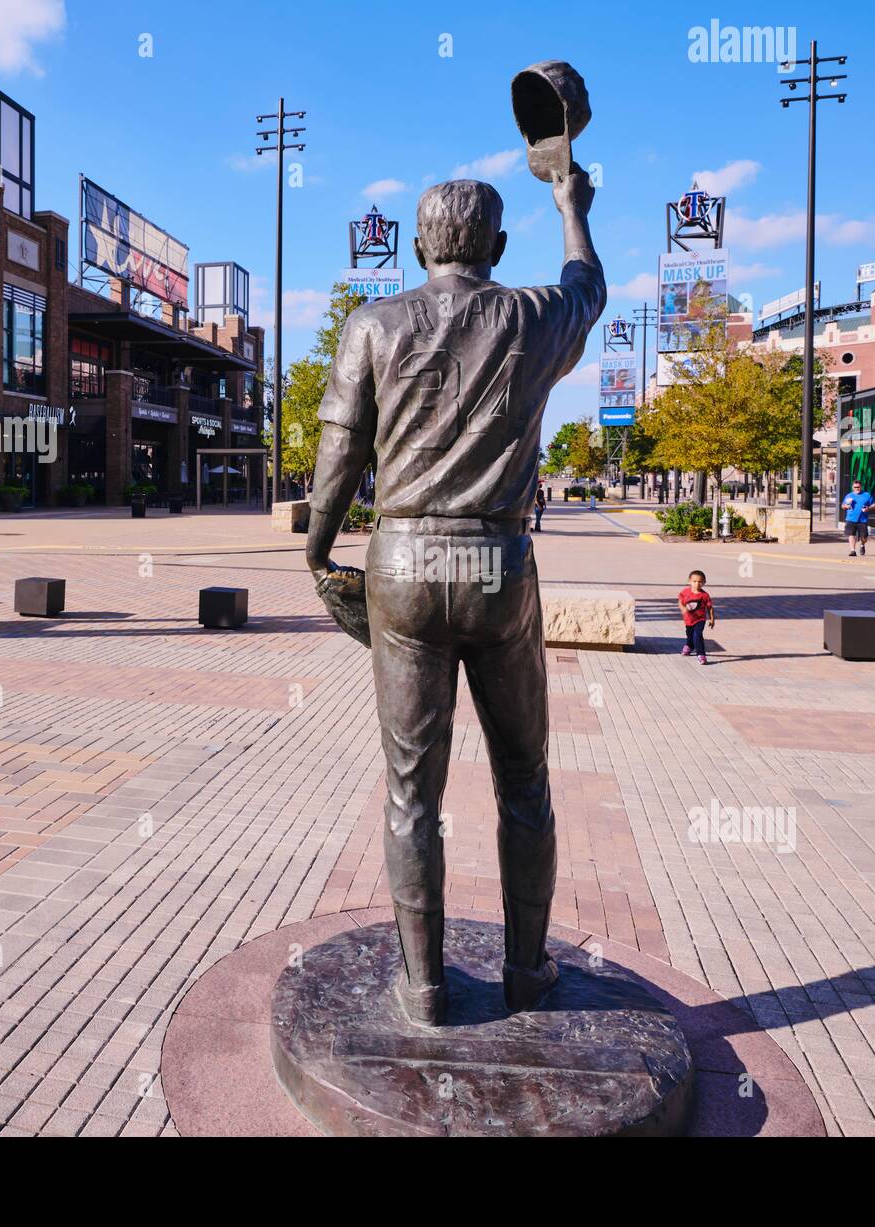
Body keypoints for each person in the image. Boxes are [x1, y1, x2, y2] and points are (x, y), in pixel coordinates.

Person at [306, 170, 605, 1024]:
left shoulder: (372, 324)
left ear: (416, 247)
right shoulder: (530, 314)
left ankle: (424, 986)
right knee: (524, 779)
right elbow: (589, 285)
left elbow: (339, 453)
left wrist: (319, 548)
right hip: (496, 561)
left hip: (400, 560)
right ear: (499, 250)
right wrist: (572, 211)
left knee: (411, 792)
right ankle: (525, 969)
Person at [678, 569, 715, 664]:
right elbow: (680, 601)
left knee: (697, 635)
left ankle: (701, 654)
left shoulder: (705, 595)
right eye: (694, 581)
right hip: (688, 619)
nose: (697, 584)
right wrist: (682, 608)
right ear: (689, 581)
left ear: (704, 582)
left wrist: (712, 619)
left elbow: (710, 607)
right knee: (689, 634)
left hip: (700, 619)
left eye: (700, 582)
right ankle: (689, 646)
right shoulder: (685, 592)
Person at [841, 479, 875, 557]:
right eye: (855, 487)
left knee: (864, 537)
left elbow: (874, 505)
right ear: (852, 487)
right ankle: (853, 550)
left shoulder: (867, 495)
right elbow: (843, 506)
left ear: (861, 487)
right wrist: (846, 506)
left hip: (862, 520)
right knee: (851, 534)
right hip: (850, 519)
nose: (857, 488)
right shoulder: (849, 496)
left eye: (858, 487)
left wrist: (868, 508)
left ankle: (862, 545)